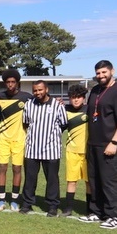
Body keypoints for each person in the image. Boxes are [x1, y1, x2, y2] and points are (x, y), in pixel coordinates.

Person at [19, 80, 67, 216]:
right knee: (30, 178)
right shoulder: (29, 104)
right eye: (35, 90)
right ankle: (27, 203)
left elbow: (63, 124)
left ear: (46, 89)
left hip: (51, 149)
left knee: (52, 179)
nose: (37, 92)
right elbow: (26, 123)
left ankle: (52, 205)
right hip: (32, 148)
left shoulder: (57, 105)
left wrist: (52, 136)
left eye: (40, 90)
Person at [82, 60, 117, 228]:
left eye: (104, 72)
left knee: (109, 181)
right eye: (98, 73)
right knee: (94, 180)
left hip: (109, 144)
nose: (101, 76)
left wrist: (114, 142)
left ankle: (113, 215)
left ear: (112, 71)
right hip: (93, 143)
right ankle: (96, 212)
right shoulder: (95, 90)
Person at [0, 69, 32, 212]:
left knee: (17, 169)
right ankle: (1, 200)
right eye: (8, 82)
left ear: (17, 83)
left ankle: (15, 200)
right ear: (5, 83)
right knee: (2, 168)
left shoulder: (26, 97)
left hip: (19, 138)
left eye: (13, 82)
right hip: (3, 138)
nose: (10, 84)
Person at [62, 84, 90, 217]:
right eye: (73, 97)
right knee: (71, 181)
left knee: (89, 182)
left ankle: (91, 209)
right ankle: (68, 208)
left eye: (78, 97)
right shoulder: (65, 110)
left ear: (84, 98)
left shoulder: (90, 109)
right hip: (71, 151)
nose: (76, 100)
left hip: (88, 152)